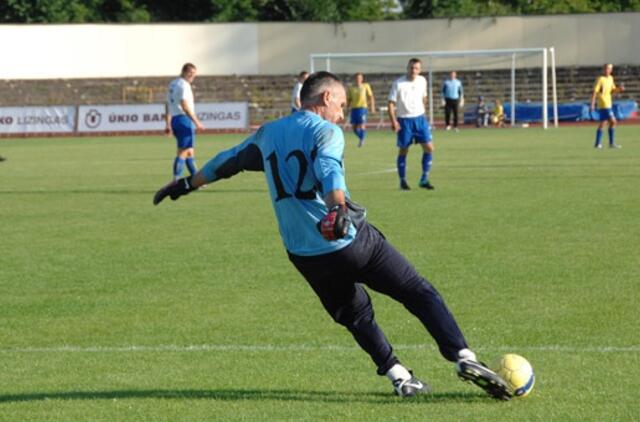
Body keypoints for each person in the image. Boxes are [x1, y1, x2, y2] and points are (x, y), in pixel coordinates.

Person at [153, 71, 512, 401]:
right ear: (325, 98)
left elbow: (225, 163)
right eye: (341, 105)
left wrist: (186, 184)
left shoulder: (268, 134)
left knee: (356, 316)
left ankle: (400, 377)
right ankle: (463, 356)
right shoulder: (326, 131)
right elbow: (328, 169)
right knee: (416, 290)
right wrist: (338, 207)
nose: (342, 114)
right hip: (347, 240)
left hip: (304, 253)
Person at [388, 58, 435, 191]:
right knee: (404, 150)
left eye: (416, 68)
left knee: (429, 148)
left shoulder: (422, 81)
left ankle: (424, 179)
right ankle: (402, 181)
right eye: (411, 68)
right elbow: (390, 103)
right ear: (407, 68)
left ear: (419, 70)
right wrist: (393, 121)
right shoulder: (398, 83)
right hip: (404, 121)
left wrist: (423, 112)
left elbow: (424, 98)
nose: (413, 70)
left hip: (420, 119)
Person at [165, 63, 204, 181]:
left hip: (176, 120)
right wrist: (197, 122)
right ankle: (176, 180)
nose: (193, 76)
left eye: (194, 74)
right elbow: (185, 105)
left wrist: (168, 123)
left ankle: (198, 181)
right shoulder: (184, 85)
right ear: (184, 72)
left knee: (189, 152)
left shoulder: (172, 84)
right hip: (184, 120)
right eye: (191, 73)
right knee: (183, 151)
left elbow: (168, 104)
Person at [590, 63, 624, 149]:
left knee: (603, 123)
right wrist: (592, 104)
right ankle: (611, 143)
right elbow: (595, 91)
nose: (607, 70)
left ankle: (598, 144)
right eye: (605, 68)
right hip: (603, 103)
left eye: (608, 69)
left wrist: (619, 89)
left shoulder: (611, 79)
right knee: (613, 121)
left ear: (611, 70)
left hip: (608, 103)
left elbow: (612, 91)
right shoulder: (600, 79)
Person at [347, 72, 376, 147]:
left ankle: (362, 139)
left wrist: (372, 107)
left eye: (360, 78)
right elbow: (349, 99)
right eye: (357, 78)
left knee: (362, 125)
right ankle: (361, 137)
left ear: (362, 79)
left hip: (362, 108)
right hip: (354, 109)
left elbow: (371, 97)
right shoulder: (351, 88)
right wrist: (347, 108)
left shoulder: (366, 86)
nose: (358, 79)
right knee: (354, 128)